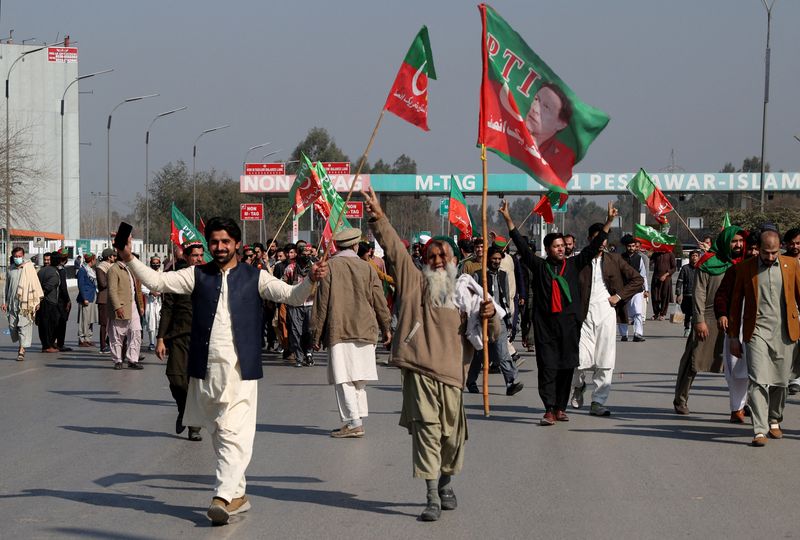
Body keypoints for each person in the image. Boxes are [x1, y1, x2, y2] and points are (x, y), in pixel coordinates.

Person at [120, 217, 328, 525]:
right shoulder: (197, 275)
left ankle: (220, 496)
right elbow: (158, 282)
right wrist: (129, 259)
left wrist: (311, 279)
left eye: (225, 242)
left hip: (240, 370)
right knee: (220, 433)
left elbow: (293, 296)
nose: (219, 247)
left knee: (233, 432)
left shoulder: (254, 277)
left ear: (237, 244)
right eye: (214, 242)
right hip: (205, 370)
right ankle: (238, 496)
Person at [363, 187, 500, 522]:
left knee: (452, 438)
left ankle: (445, 483)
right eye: (431, 258)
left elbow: (494, 334)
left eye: (443, 257)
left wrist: (489, 314)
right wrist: (378, 215)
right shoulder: (412, 282)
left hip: (453, 374)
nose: (437, 262)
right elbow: (394, 247)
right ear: (424, 262)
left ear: (454, 260)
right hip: (420, 370)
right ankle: (430, 497)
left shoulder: (469, 291)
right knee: (427, 432)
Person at [500, 199, 618, 425]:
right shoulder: (540, 266)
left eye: (563, 245)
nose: (561, 248)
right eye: (556, 246)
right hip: (546, 328)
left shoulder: (574, 265)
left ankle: (561, 408)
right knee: (547, 368)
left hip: (569, 326)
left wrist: (608, 222)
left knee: (566, 367)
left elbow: (594, 247)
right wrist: (508, 220)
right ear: (548, 249)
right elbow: (522, 248)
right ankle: (548, 409)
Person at [311, 228, 392, 438]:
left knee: (343, 377)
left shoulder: (329, 267)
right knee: (359, 378)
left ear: (337, 246)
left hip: (340, 329)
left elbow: (321, 304)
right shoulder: (368, 268)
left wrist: (315, 335)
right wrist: (386, 327)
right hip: (366, 329)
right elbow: (380, 301)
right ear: (356, 246)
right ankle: (357, 419)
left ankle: (354, 422)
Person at [728, 228, 800, 446]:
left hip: (786, 332)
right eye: (766, 253)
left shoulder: (791, 266)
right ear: (758, 249)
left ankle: (774, 419)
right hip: (757, 331)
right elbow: (735, 304)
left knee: (781, 381)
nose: (770, 257)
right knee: (758, 380)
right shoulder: (745, 269)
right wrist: (733, 337)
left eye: (775, 253)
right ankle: (759, 430)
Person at [571, 224, 643, 416]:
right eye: (597, 239)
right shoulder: (579, 261)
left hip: (606, 314)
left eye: (603, 239)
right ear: (589, 240)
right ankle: (578, 387)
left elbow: (638, 280)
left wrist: (619, 296)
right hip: (583, 316)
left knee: (605, 359)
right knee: (578, 359)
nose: (601, 243)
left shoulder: (615, 260)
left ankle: (598, 401)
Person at [673, 226, 744, 415]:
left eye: (740, 241)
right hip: (708, 317)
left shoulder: (743, 263)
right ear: (725, 242)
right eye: (734, 241)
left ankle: (742, 407)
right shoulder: (708, 262)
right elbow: (699, 292)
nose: (738, 245)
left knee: (740, 366)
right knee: (693, 361)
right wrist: (699, 320)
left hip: (734, 320)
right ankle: (680, 399)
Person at [156, 241, 205, 441]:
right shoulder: (175, 279)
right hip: (178, 336)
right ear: (186, 256)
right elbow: (167, 309)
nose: (199, 259)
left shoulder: (209, 278)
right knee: (176, 379)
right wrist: (160, 338)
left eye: (201, 255)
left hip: (203, 338)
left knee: (197, 383)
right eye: (195, 255)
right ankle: (184, 409)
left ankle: (194, 427)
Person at [465, 244, 523, 396]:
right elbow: (470, 297)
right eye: (494, 259)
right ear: (488, 259)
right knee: (480, 354)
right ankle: (471, 381)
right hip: (482, 320)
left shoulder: (503, 275)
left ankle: (511, 382)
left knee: (502, 351)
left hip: (499, 319)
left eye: (499, 259)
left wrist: (509, 318)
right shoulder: (478, 275)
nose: (496, 261)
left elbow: (506, 297)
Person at [714, 230, 759, 423]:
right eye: (753, 248)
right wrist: (722, 314)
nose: (755, 253)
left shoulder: (776, 269)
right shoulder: (736, 270)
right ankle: (737, 408)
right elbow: (722, 295)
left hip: (765, 326)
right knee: (737, 370)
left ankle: (767, 414)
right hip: (738, 326)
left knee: (763, 371)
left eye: (759, 249)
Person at [524, 82, 575, 181]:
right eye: (536, 100)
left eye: (546, 107)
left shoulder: (561, 158)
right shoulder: (515, 135)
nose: (535, 109)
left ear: (561, 123)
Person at [2, 247, 42, 361]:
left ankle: (21, 349)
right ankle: (20, 344)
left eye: (20, 256)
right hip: (12, 303)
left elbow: (35, 285)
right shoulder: (10, 269)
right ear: (12, 256)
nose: (18, 258)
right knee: (13, 326)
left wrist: (37, 301)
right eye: (16, 256)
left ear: (23, 256)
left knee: (23, 326)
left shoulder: (29, 268)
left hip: (26, 303)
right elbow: (6, 287)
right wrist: (4, 302)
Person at [108, 254, 145, 370]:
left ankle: (133, 359)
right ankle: (118, 360)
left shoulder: (130, 269)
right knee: (117, 335)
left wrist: (141, 305)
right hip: (121, 306)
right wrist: (117, 307)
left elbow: (137, 289)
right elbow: (112, 291)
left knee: (136, 332)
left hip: (133, 306)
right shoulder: (113, 269)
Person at [283, 241, 315, 367]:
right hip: (295, 304)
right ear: (299, 253)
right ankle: (299, 356)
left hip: (311, 303)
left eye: (309, 252)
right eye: (304, 252)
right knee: (296, 332)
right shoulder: (290, 268)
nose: (306, 255)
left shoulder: (314, 267)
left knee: (309, 331)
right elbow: (283, 284)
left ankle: (309, 353)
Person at [618, 235, 649, 341]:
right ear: (626, 247)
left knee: (638, 312)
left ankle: (637, 334)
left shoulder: (639, 258)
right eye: (629, 246)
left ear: (636, 247)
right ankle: (624, 335)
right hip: (624, 289)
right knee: (623, 312)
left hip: (637, 289)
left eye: (633, 246)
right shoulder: (620, 258)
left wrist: (646, 289)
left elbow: (643, 275)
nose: (631, 248)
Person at [782, 227, 800, 395]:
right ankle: (787, 378)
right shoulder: (780, 261)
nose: (795, 246)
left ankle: (796, 379)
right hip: (788, 310)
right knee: (790, 346)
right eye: (792, 243)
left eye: (798, 243)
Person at [37, 252, 61, 353]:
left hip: (42, 301)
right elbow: (48, 287)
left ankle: (46, 345)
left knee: (43, 324)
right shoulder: (53, 272)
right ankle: (47, 345)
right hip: (49, 302)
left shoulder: (41, 271)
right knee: (50, 325)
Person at [96, 248, 116, 354]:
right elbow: (102, 284)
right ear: (109, 257)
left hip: (111, 299)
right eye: (113, 256)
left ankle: (109, 342)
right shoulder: (101, 268)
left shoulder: (111, 267)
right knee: (104, 324)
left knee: (112, 324)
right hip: (104, 299)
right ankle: (103, 346)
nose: (115, 258)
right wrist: (113, 279)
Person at [675, 250, 700, 338]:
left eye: (696, 256)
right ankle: (687, 329)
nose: (694, 257)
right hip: (687, 294)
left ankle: (695, 329)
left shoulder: (701, 268)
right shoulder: (685, 268)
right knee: (688, 313)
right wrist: (678, 294)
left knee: (697, 313)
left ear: (699, 257)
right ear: (690, 257)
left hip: (699, 295)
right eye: (693, 255)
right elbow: (680, 281)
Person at [76, 253, 99, 347]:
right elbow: (80, 285)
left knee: (90, 319)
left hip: (92, 296)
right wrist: (84, 297)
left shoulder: (91, 270)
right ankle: (82, 338)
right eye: (95, 259)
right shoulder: (82, 270)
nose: (96, 261)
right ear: (92, 260)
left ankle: (88, 338)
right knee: (84, 320)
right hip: (86, 298)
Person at [142, 256, 163, 351]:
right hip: (150, 301)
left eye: (157, 262)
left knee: (161, 322)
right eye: (153, 263)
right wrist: (151, 292)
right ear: (150, 263)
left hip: (160, 302)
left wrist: (161, 292)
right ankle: (152, 342)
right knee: (151, 323)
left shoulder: (163, 274)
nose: (155, 264)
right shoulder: (147, 274)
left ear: (160, 263)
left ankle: (161, 342)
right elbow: (142, 288)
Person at [54, 248, 73, 352]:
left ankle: (54, 342)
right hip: (61, 301)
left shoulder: (53, 268)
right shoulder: (61, 270)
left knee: (55, 323)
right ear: (65, 259)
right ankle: (60, 344)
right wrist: (68, 300)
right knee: (62, 322)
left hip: (54, 300)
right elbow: (63, 288)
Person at [650, 249, 676, 320]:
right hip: (656, 277)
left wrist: (666, 275)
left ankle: (662, 313)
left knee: (665, 296)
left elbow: (674, 268)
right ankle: (656, 313)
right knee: (655, 296)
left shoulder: (670, 254)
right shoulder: (656, 253)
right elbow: (650, 263)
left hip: (666, 279)